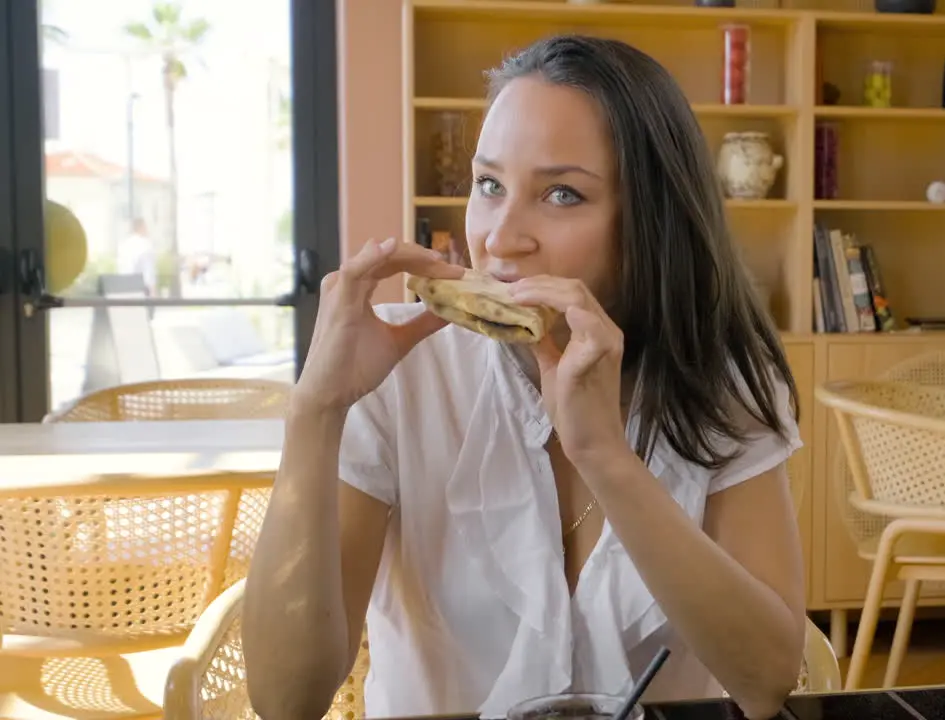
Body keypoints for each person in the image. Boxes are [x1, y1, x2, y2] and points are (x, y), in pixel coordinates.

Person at [242, 35, 805, 720]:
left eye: (562, 193)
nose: (501, 237)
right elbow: (285, 701)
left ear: (652, 222)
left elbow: (767, 679)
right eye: (489, 185)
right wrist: (316, 410)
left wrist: (605, 455)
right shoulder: (401, 372)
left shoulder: (722, 379)